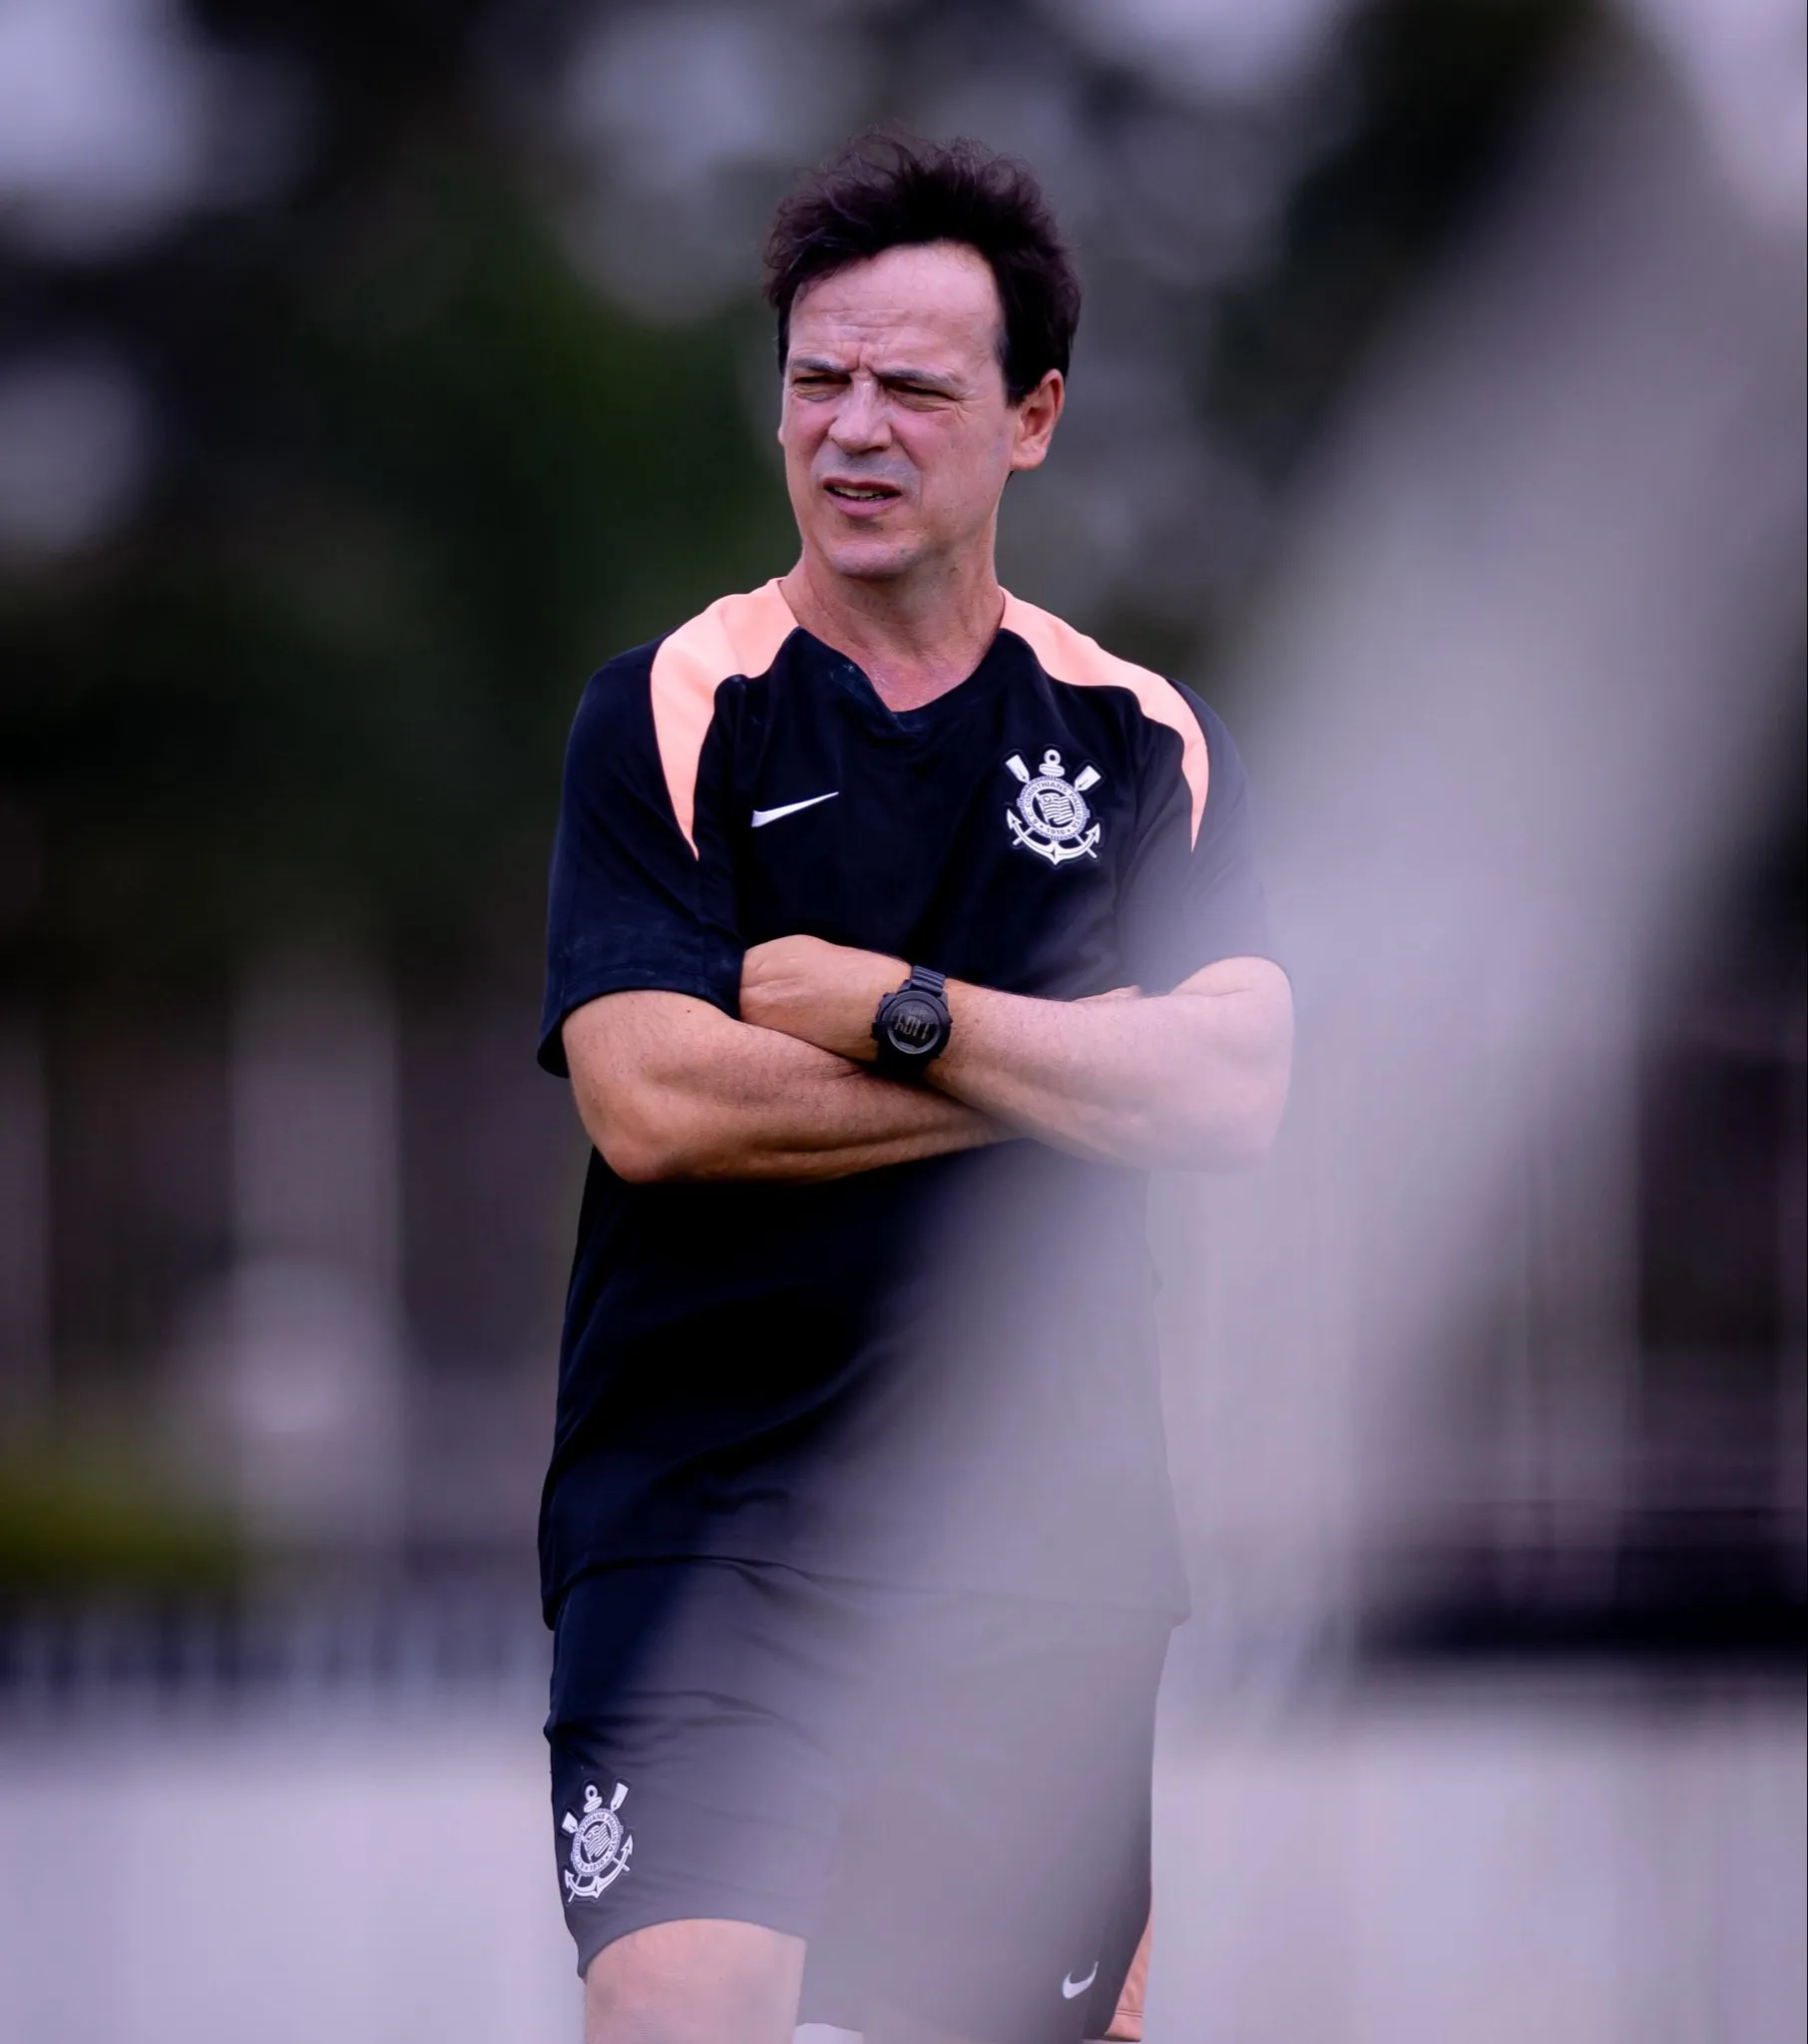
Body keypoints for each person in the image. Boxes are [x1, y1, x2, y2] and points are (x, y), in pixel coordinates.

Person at [537, 134, 1292, 2044]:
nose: (852, 429)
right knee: (679, 2004)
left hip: (1038, 1539)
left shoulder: (1136, 736)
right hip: (705, 1520)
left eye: (914, 388)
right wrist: (1066, 1057)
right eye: (816, 380)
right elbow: (651, 1098)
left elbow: (1237, 1090)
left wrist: (896, 1007)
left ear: (1030, 418)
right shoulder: (673, 704)